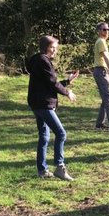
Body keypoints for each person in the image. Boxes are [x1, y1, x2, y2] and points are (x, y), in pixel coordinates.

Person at [27, 35, 79, 181]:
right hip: (43, 104)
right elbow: (52, 83)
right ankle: (60, 167)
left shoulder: (40, 60)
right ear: (45, 48)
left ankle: (42, 170)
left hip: (37, 103)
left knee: (44, 135)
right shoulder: (43, 61)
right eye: (52, 47)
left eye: (56, 47)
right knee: (61, 133)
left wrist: (67, 82)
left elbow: (50, 82)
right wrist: (67, 92)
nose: (55, 50)